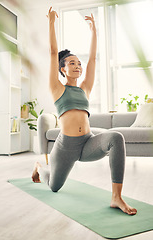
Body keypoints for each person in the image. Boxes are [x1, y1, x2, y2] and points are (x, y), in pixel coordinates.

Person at [32, 7, 137, 215]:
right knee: (53, 186)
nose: (78, 66)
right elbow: (53, 53)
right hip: (66, 148)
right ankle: (39, 166)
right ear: (63, 69)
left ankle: (116, 197)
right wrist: (51, 23)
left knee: (116, 137)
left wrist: (94, 31)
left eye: (79, 63)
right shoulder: (57, 88)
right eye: (72, 63)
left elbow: (93, 60)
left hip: (89, 142)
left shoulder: (85, 89)